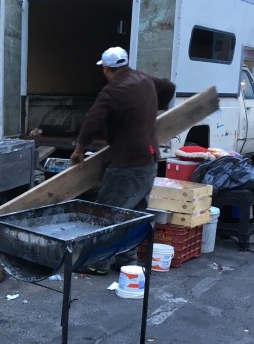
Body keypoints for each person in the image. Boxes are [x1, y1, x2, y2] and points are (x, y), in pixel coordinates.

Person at [70, 46, 176, 274]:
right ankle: (127, 260)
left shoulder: (112, 91)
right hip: (149, 159)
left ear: (106, 69)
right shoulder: (144, 79)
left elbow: (92, 121)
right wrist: (158, 108)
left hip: (127, 162)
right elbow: (169, 87)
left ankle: (99, 263)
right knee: (134, 213)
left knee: (109, 211)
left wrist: (79, 150)